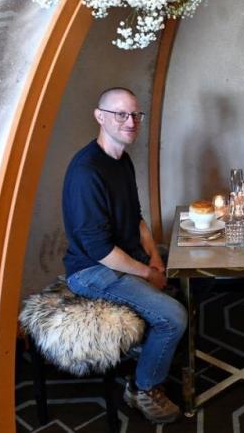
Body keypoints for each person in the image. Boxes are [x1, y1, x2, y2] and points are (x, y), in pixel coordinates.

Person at [62, 87, 186, 424]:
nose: (130, 121)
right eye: (121, 114)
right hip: (92, 271)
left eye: (134, 115)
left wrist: (155, 259)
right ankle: (144, 387)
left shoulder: (122, 159)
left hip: (123, 255)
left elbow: (137, 218)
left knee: (183, 259)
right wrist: (148, 274)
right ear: (100, 116)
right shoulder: (87, 172)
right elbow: (99, 250)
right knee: (174, 316)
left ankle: (147, 349)